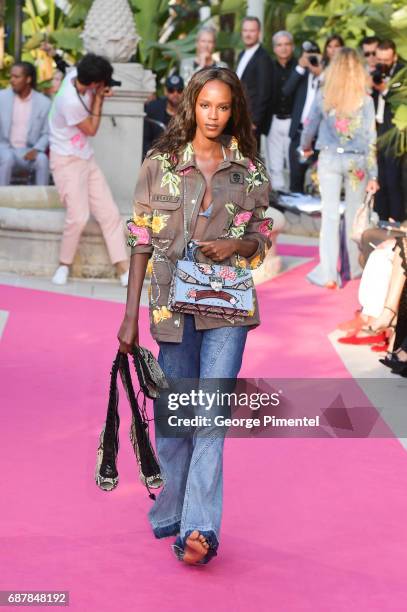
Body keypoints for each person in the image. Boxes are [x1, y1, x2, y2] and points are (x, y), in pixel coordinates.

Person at [117, 67, 272, 565]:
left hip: (226, 305)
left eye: (223, 107)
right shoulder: (160, 163)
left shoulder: (247, 168)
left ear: (234, 111)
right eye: (206, 105)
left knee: (210, 416)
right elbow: (140, 237)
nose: (214, 115)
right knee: (176, 417)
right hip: (170, 305)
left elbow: (262, 235)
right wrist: (129, 317)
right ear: (192, 105)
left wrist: (238, 243)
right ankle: (173, 511)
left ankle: (199, 529)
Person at [300, 48, 379, 289]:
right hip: (357, 163)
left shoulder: (325, 94)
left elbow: (310, 124)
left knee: (330, 216)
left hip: (330, 159)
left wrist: (305, 147)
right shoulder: (365, 99)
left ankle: (328, 274)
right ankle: (353, 268)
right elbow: (371, 138)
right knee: (356, 216)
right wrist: (374, 174)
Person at [49, 53, 129, 286]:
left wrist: (97, 92)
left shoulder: (76, 73)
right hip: (65, 160)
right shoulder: (68, 101)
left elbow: (77, 74)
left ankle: (123, 269)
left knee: (110, 214)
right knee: (78, 216)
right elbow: (92, 129)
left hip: (86, 157)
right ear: (95, 83)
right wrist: (100, 99)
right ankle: (63, 265)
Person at [0, 62, 51, 186]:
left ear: (28, 79)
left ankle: (41, 200)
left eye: (16, 77)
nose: (12, 80)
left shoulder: (44, 103)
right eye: (11, 76)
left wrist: (37, 149)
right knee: (7, 158)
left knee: (42, 160)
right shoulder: (2, 98)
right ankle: (1, 199)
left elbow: (47, 132)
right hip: (5, 148)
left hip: (29, 150)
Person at [283, 40, 323, 193]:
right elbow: (286, 91)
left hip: (319, 137)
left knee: (318, 180)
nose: (311, 59)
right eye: (308, 56)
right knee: (296, 179)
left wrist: (320, 71)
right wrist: (300, 66)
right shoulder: (301, 73)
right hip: (299, 134)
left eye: (314, 56)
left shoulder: (325, 74)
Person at [371, 40, 405, 222]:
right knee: (379, 176)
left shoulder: (402, 72)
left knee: (392, 178)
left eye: (386, 59)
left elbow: (400, 99)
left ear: (394, 57)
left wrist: (384, 90)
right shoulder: (374, 70)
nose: (383, 63)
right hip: (375, 128)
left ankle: (396, 217)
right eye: (380, 59)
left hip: (393, 130)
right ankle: (380, 216)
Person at [265, 30, 296, 191]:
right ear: (274, 48)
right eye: (279, 45)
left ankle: (294, 195)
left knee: (292, 164)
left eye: (286, 44)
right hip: (274, 120)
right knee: (275, 165)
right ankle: (278, 195)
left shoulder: (300, 67)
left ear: (292, 46)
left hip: (294, 122)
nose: (283, 48)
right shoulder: (268, 67)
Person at [236, 16, 272, 150]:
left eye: (252, 30)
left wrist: (255, 121)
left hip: (251, 121)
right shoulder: (241, 55)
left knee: (250, 161)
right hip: (239, 117)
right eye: (245, 30)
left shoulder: (263, 57)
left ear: (259, 33)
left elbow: (264, 93)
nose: (248, 34)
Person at [143, 75, 184, 158]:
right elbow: (145, 139)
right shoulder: (152, 109)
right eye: (171, 90)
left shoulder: (189, 111)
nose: (175, 94)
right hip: (156, 158)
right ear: (165, 91)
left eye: (179, 90)